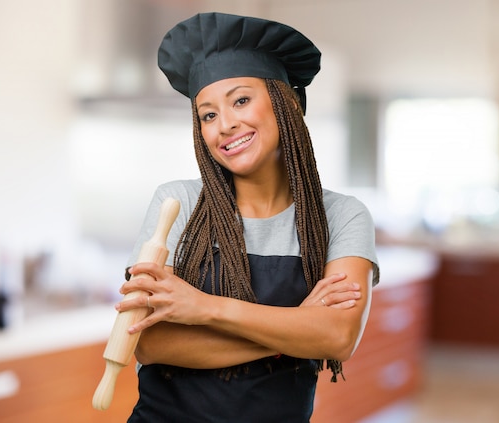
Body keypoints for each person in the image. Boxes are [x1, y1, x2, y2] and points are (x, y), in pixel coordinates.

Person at [115, 12, 379, 422]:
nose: (226, 125)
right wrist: (297, 329)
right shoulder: (178, 203)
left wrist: (204, 308)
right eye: (208, 114)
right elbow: (149, 343)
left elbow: (338, 337)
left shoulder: (341, 217)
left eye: (241, 100)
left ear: (286, 102)